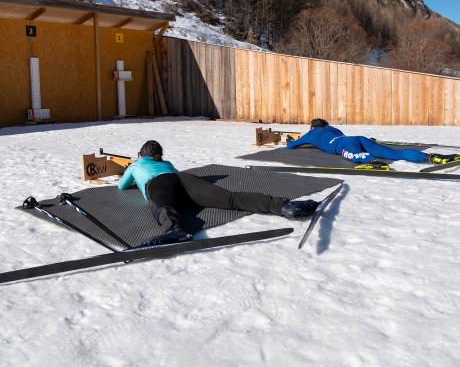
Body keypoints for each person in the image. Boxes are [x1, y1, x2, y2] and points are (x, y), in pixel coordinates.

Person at [118, 140, 319, 245]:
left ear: (140, 155)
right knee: (231, 198)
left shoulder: (136, 165)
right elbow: (171, 175)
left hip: (159, 184)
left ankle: (175, 229)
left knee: (163, 206)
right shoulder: (167, 163)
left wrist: (131, 169)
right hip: (184, 180)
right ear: (159, 156)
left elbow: (121, 186)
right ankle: (283, 206)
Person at [287, 118, 460, 165]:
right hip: (355, 138)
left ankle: (371, 160)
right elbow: (336, 135)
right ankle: (432, 158)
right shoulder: (333, 129)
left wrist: (289, 140)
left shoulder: (310, 134)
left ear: (312, 127)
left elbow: (291, 146)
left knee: (354, 156)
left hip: (342, 146)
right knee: (395, 154)